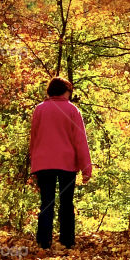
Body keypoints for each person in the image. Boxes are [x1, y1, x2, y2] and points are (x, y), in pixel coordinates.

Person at [28, 77, 92, 250]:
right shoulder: (72, 110)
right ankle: (67, 241)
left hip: (43, 163)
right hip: (67, 163)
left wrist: (34, 161)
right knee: (66, 203)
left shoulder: (39, 109)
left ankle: (44, 241)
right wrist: (86, 167)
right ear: (66, 91)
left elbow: (34, 137)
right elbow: (80, 140)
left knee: (46, 202)